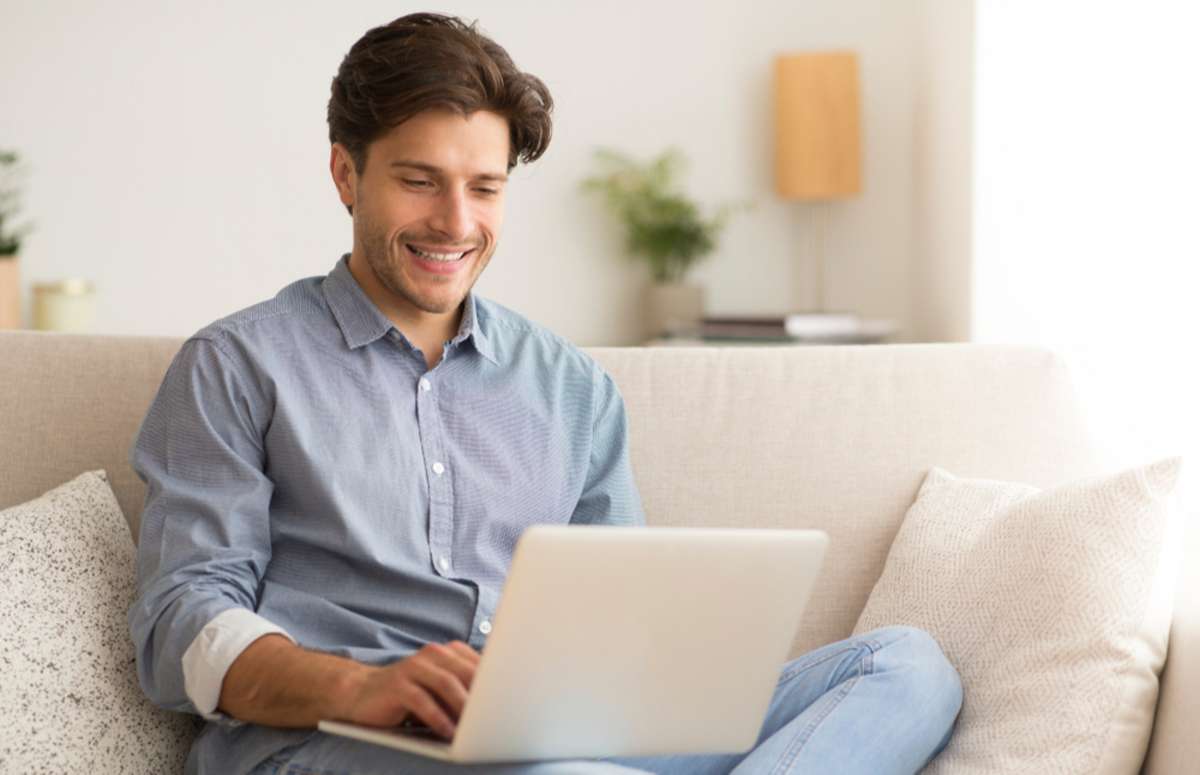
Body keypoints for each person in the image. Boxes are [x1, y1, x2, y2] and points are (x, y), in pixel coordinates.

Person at [128, 12, 962, 775]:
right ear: (347, 174)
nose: (456, 222)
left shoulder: (571, 388)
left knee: (905, 666)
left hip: (558, 739)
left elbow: (629, 620)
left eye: (485, 187)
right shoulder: (237, 365)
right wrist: (357, 687)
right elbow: (179, 628)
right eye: (420, 180)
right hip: (333, 747)